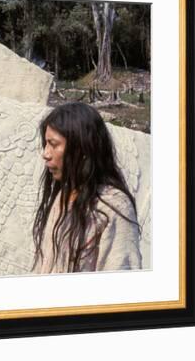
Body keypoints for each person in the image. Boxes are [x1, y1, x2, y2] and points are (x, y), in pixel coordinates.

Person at [32, 102, 142, 274]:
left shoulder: (113, 208)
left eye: (53, 144)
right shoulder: (64, 194)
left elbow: (122, 280)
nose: (45, 154)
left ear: (82, 148)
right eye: (46, 144)